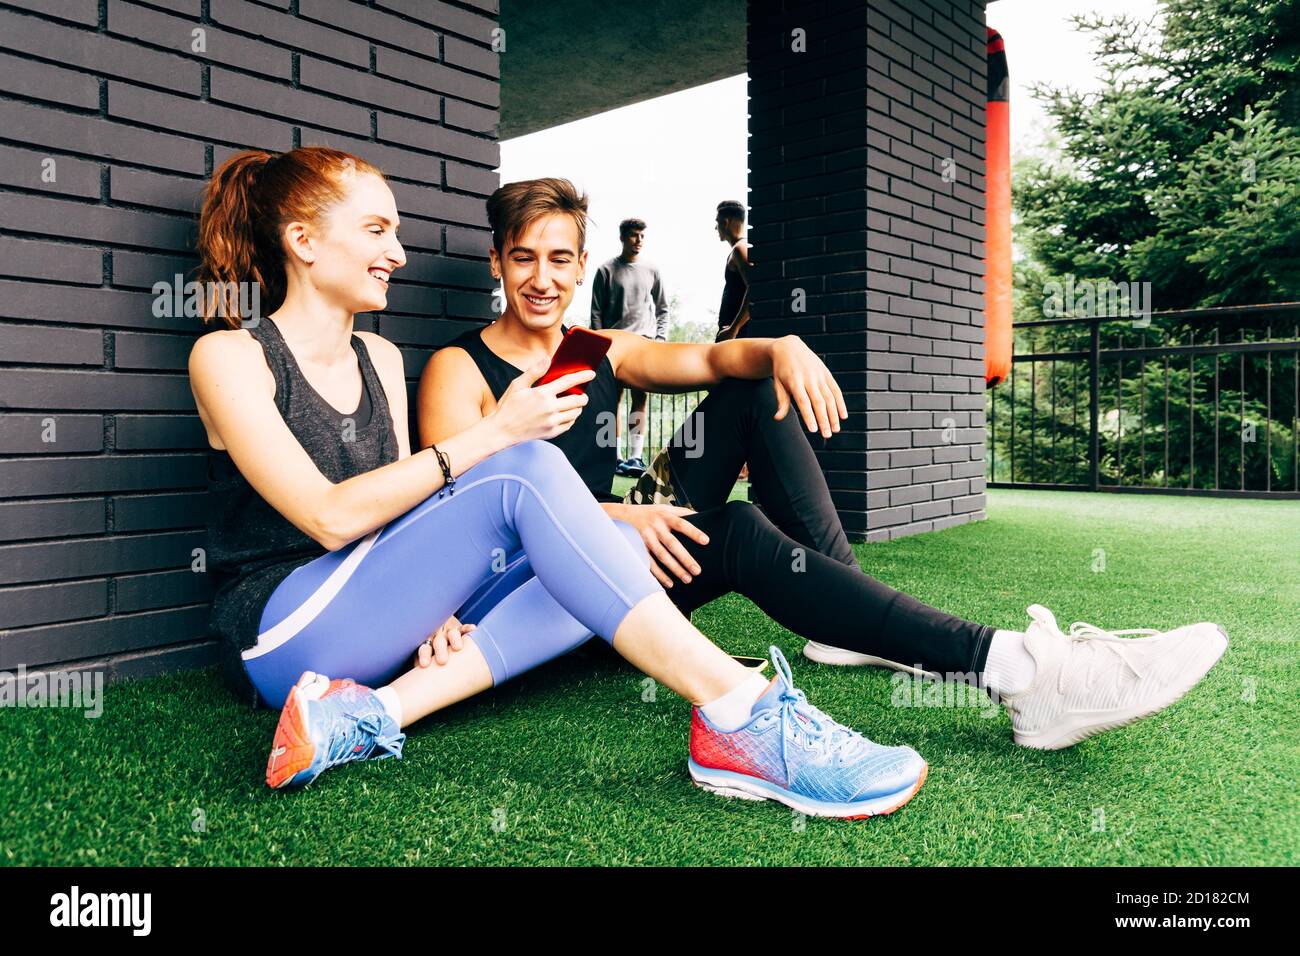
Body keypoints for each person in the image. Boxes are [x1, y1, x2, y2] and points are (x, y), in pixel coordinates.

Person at [189, 147, 928, 820]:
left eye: (395, 232)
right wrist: (500, 432)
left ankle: (366, 715)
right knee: (528, 468)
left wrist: (430, 604)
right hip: (279, 632)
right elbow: (326, 518)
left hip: (370, 614)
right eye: (378, 230)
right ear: (304, 241)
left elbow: (400, 519)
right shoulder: (229, 356)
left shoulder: (378, 357)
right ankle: (743, 713)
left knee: (603, 542)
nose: (398, 252)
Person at [422, 176, 1230, 756]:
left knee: (749, 389)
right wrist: (615, 518)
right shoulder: (458, 371)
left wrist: (780, 344)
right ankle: (1020, 671)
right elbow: (457, 525)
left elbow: (707, 357)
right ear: (496, 262)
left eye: (561, 259)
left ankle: (843, 621)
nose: (544, 279)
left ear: (581, 262)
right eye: (524, 258)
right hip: (547, 600)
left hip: (618, 551)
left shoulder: (597, 350)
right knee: (734, 527)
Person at [589, 217, 669, 476]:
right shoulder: (606, 270)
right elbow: (596, 313)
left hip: (644, 344)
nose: (638, 241)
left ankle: (635, 458)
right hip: (613, 345)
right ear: (623, 237)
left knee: (640, 401)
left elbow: (662, 309)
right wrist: (600, 344)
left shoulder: (652, 270)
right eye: (634, 236)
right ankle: (613, 456)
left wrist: (660, 340)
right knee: (612, 401)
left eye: (642, 236)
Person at [714, 200, 750, 342]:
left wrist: (733, 329)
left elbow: (754, 290)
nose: (715, 228)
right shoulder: (738, 250)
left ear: (725, 222)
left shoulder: (740, 249)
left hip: (738, 337)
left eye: (717, 222)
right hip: (733, 334)